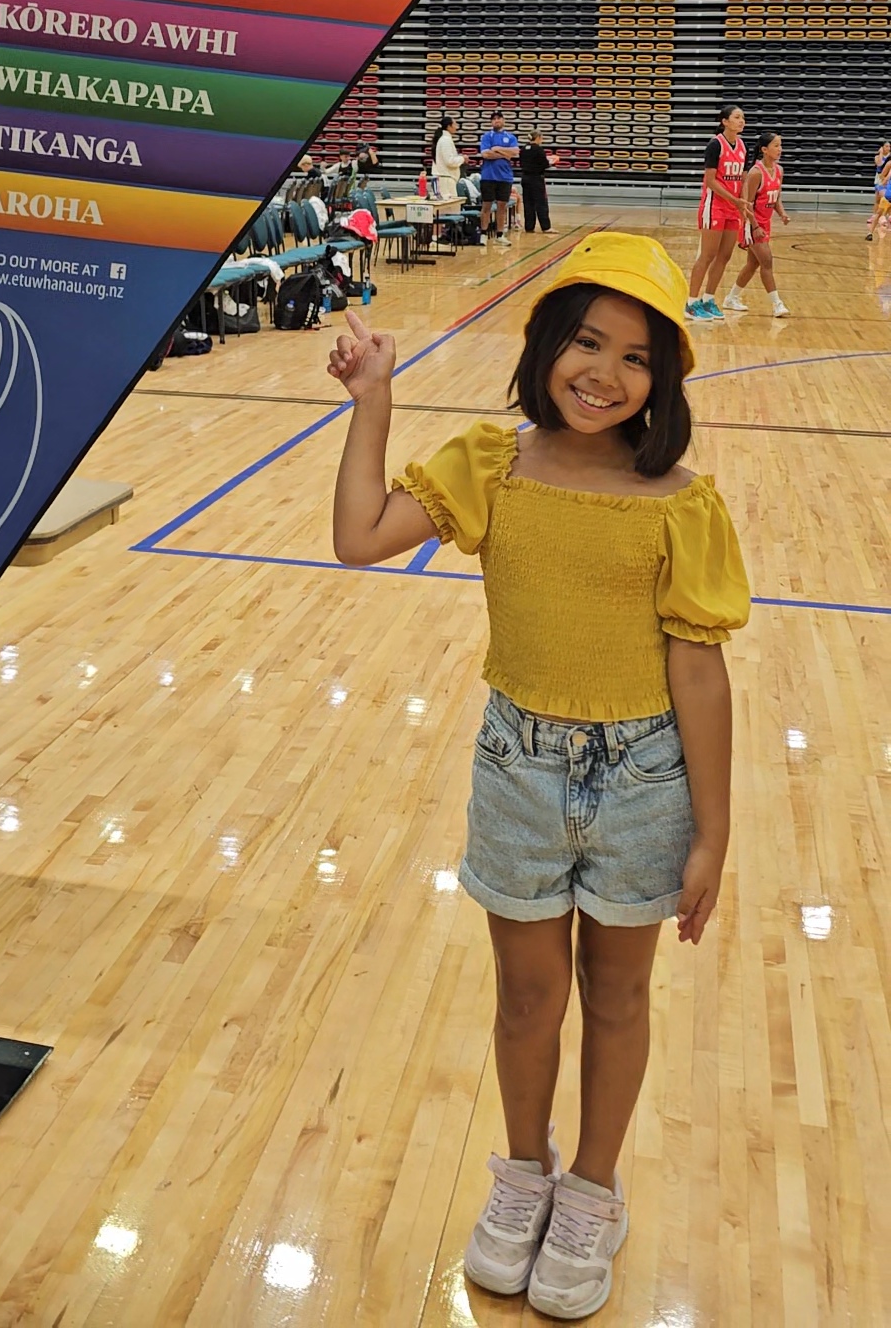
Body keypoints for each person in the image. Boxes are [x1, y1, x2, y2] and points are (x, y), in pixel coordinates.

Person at [329, 233, 748, 1318]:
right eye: (587, 342)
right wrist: (374, 399)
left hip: (646, 776)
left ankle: (594, 1191)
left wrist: (713, 832)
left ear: (667, 383)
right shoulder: (491, 464)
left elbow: (699, 674)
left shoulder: (682, 502)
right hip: (518, 767)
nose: (605, 373)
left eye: (639, 358)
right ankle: (523, 1176)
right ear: (546, 343)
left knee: (618, 996)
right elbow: (362, 536)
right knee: (527, 1000)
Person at [685, 104, 750, 323]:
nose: (741, 121)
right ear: (725, 121)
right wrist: (734, 199)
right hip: (714, 207)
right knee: (708, 254)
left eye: (743, 118)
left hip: (732, 207)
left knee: (725, 256)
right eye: (737, 117)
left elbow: (741, 178)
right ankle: (691, 302)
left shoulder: (742, 146)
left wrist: (742, 203)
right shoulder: (715, 145)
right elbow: (710, 181)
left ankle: (708, 299)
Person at [723, 131, 789, 317]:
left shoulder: (779, 170)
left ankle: (731, 298)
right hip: (751, 223)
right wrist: (754, 226)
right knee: (767, 261)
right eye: (776, 145)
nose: (780, 149)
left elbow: (775, 198)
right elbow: (747, 204)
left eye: (780, 145)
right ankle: (777, 304)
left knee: (753, 264)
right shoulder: (755, 173)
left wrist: (782, 214)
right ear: (764, 150)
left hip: (765, 223)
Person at [479, 109, 519, 247]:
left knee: (502, 206)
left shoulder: (511, 137)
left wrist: (496, 148)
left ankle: (500, 235)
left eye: (499, 118)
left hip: (505, 177)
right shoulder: (486, 136)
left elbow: (515, 152)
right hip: (488, 176)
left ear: (503, 120)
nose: (497, 120)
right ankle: (483, 234)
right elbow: (485, 154)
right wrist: (504, 153)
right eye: (494, 118)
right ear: (491, 122)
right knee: (486, 206)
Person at [519, 132, 553, 232]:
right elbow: (545, 164)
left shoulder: (523, 149)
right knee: (541, 203)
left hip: (525, 178)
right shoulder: (538, 149)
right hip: (536, 179)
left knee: (528, 203)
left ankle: (529, 227)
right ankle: (546, 227)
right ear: (538, 138)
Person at [431, 116, 465, 200]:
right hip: (445, 181)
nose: (456, 127)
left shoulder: (444, 139)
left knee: (450, 209)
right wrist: (462, 158)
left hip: (445, 179)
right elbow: (449, 161)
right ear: (449, 126)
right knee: (450, 210)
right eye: (455, 124)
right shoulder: (445, 140)